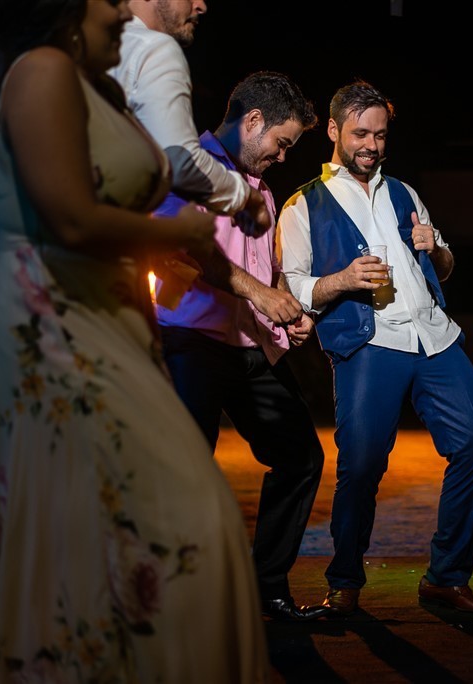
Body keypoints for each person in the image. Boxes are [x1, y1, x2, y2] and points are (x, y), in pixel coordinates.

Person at [0, 1, 267, 681]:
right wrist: (181, 234)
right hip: (55, 324)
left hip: (114, 324)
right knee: (177, 511)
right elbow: (68, 218)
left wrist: (218, 265)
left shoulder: (105, 93)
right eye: (108, 1)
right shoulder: (41, 72)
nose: (121, 12)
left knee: (107, 522)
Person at [277, 80, 473, 615]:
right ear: (333, 131)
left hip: (433, 337)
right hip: (370, 342)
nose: (371, 145)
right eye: (360, 133)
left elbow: (444, 265)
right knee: (362, 465)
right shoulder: (303, 205)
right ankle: (345, 581)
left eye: (379, 134)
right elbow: (293, 287)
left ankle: (446, 577)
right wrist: (343, 279)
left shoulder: (404, 192)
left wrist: (436, 249)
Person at [152, 71, 327, 622]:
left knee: (301, 457)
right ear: (253, 121)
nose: (281, 157)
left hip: (251, 347)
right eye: (282, 143)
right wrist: (261, 293)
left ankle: (265, 592)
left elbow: (261, 270)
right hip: (190, 341)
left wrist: (284, 309)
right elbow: (188, 247)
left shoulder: (262, 190)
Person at [110, 0, 271, 229]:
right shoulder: (155, 49)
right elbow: (180, 161)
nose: (201, 6)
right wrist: (247, 197)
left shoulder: (78, 49)